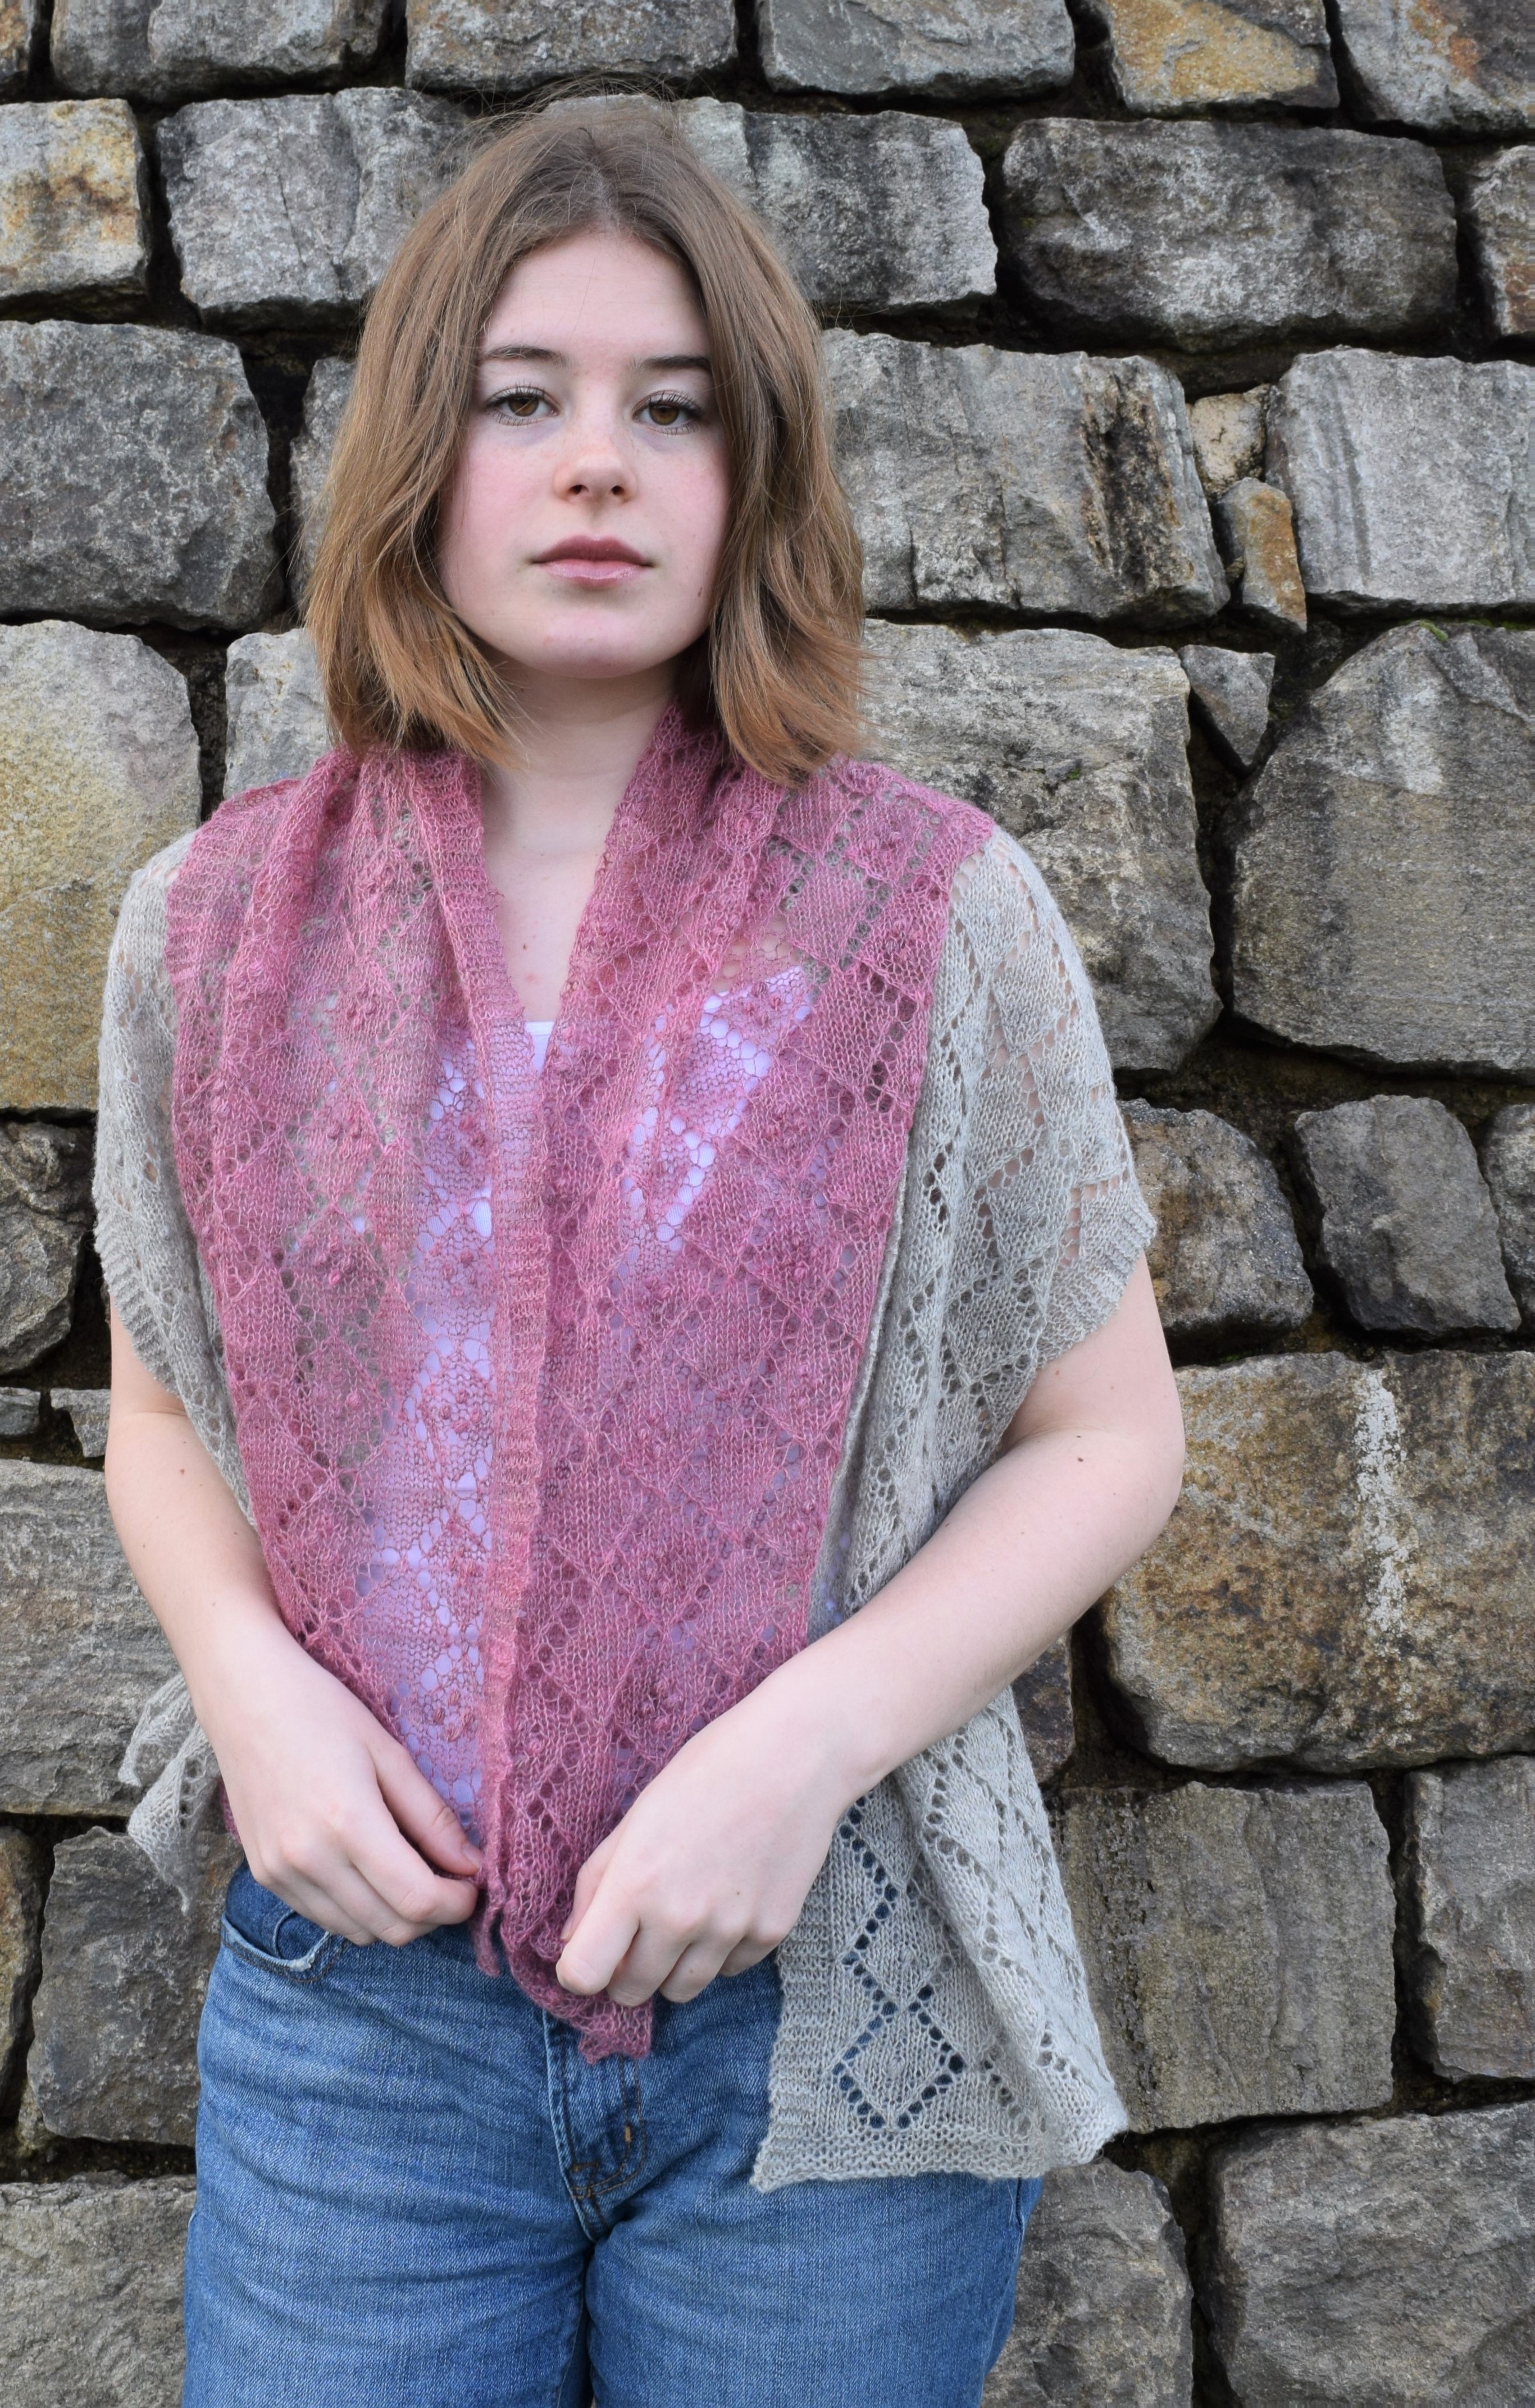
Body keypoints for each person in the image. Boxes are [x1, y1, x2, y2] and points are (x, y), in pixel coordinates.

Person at [94, 102, 1186, 2408]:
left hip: (826, 1998)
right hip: (361, 2019)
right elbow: (166, 1404)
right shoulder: (210, 929)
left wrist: (798, 1751)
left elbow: (1104, 1437)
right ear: (419, 455)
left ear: (752, 471)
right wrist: (250, 1694)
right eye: (524, 397)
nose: (597, 461)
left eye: (672, 409)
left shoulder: (927, 915)